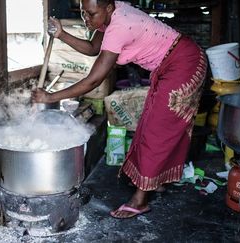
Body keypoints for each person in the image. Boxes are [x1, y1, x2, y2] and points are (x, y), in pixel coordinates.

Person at [32, 0, 207, 219]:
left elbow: (93, 81)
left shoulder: (119, 26)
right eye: (83, 12)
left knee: (158, 130)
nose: (86, 18)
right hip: (169, 64)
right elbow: (93, 49)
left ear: (108, 8)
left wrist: (50, 96)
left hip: (184, 63)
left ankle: (140, 200)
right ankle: (154, 179)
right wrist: (61, 34)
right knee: (150, 123)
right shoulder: (108, 16)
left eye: (91, 14)